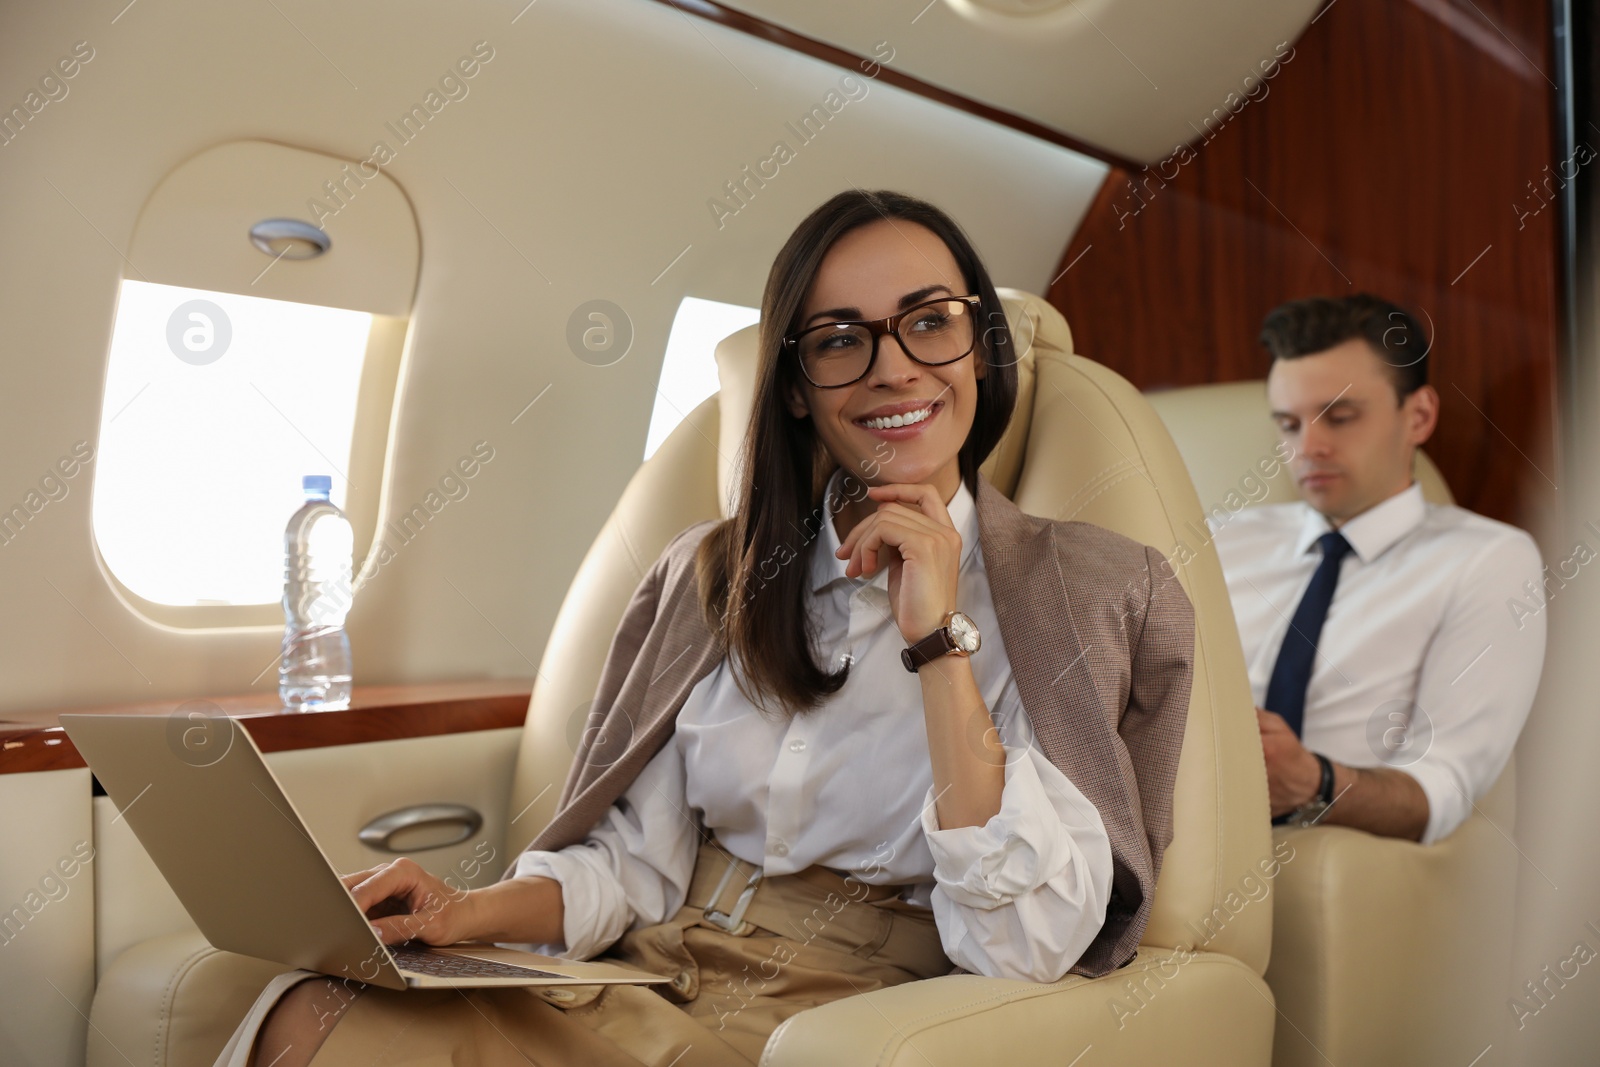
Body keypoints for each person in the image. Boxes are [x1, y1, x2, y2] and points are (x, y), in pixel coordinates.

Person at [230, 190, 1194, 1067]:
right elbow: (633, 866)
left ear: (978, 346)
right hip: (646, 976)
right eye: (840, 339)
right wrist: (463, 909)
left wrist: (938, 637)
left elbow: (1019, 943)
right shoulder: (715, 573)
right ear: (793, 385)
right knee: (314, 1010)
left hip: (842, 1020)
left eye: (930, 323)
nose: (895, 366)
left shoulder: (1085, 592)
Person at [1213, 294, 1546, 842]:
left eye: (1339, 418)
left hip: (1318, 850)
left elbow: (1445, 783)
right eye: (1289, 425)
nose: (1309, 447)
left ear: (1418, 416)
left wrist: (1314, 782)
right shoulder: (1219, 538)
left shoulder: (1488, 561)